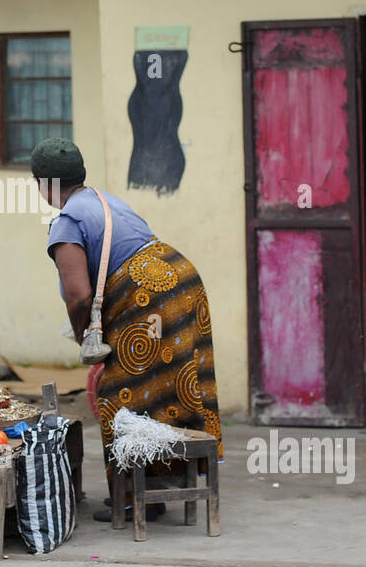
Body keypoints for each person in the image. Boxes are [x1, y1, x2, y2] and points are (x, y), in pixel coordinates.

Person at [31, 138, 223, 523]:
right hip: (182, 282)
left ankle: (138, 499)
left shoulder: (67, 221)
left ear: (45, 185)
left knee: (116, 394)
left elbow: (79, 297)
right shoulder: (105, 201)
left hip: (151, 297)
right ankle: (164, 483)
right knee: (171, 386)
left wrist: (86, 337)